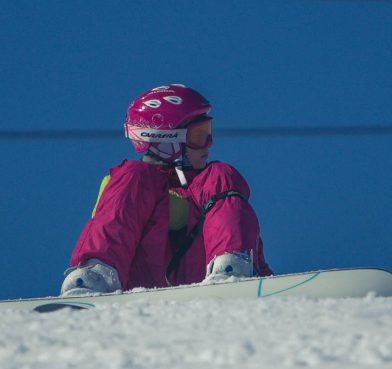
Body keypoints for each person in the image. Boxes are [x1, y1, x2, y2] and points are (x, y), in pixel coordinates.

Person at [60, 84, 272, 296]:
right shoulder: (133, 183)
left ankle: (233, 267)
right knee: (134, 174)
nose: (209, 144)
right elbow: (111, 218)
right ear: (168, 141)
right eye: (199, 136)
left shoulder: (211, 183)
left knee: (221, 173)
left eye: (208, 132)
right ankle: (96, 275)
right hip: (136, 282)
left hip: (204, 276)